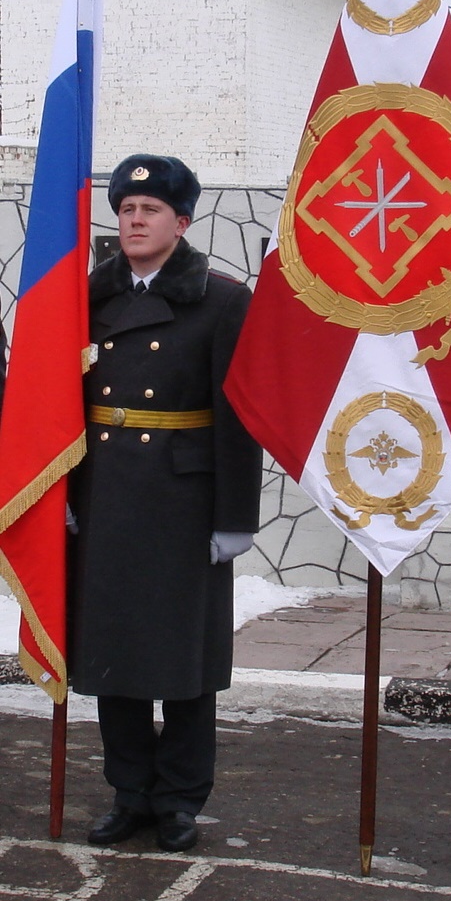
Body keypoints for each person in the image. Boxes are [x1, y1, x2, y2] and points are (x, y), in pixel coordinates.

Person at [70, 155, 262, 854]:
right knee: (115, 652)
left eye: (149, 210)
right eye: (125, 210)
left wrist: (236, 515)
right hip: (108, 494)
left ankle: (180, 797)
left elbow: (239, 412)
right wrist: (60, 491)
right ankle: (129, 790)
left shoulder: (221, 299)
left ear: (182, 222)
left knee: (183, 660)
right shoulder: (87, 296)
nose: (134, 221)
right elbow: (59, 403)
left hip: (184, 498)